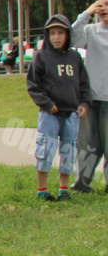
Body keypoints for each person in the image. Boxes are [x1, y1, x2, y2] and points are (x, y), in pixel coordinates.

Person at [27, 14, 92, 201]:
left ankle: (64, 189)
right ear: (47, 35)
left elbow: (83, 84)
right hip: (50, 113)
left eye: (61, 33)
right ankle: (42, 190)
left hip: (71, 113)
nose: (56, 37)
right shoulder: (41, 57)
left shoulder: (75, 57)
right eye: (53, 33)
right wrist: (46, 103)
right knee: (45, 149)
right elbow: (33, 84)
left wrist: (84, 103)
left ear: (67, 35)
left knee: (68, 150)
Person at [71, 0, 108, 193]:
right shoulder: (90, 31)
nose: (103, 9)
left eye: (107, 5)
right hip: (89, 99)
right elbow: (71, 38)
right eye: (99, 6)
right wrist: (86, 14)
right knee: (86, 144)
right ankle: (81, 184)